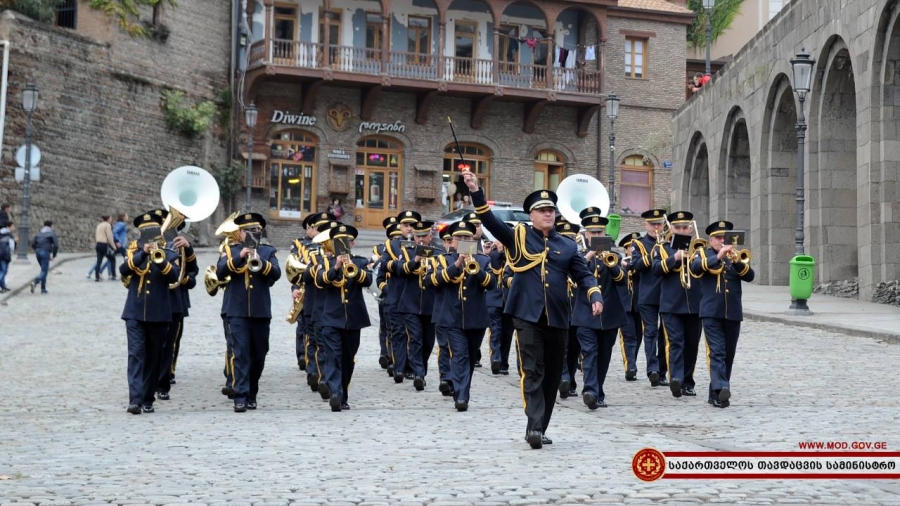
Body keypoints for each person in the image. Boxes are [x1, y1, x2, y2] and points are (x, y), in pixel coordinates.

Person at [462, 170, 602, 449]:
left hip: (558, 317)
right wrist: (476, 190)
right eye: (542, 211)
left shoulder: (566, 245)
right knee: (532, 371)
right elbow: (489, 219)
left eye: (551, 210)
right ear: (532, 215)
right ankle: (534, 426)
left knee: (552, 375)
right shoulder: (519, 236)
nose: (548, 214)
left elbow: (583, 274)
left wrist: (594, 293)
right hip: (526, 315)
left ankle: (539, 425)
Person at [217, 212, 282, 412]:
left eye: (257, 230)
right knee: (240, 353)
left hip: (260, 311)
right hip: (236, 310)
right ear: (241, 233)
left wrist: (259, 262)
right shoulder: (230, 250)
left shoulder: (268, 251)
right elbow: (220, 272)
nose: (253, 233)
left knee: (259, 354)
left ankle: (252, 391)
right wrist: (241, 256)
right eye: (249, 231)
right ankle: (240, 395)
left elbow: (277, 274)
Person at [119, 212, 181, 414]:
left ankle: (147, 397)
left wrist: (160, 260)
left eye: (153, 231)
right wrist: (144, 253)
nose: (149, 234)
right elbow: (124, 269)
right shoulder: (134, 251)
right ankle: (135, 400)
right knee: (136, 355)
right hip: (135, 312)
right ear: (140, 233)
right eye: (145, 231)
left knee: (155, 357)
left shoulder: (168, 252)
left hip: (159, 313)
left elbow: (174, 276)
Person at [690, 220, 755, 408]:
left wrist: (737, 262)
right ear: (711, 239)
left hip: (732, 312)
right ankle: (722, 388)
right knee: (717, 352)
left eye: (724, 238)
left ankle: (715, 394)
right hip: (711, 312)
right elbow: (695, 268)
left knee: (728, 354)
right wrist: (718, 256)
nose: (721, 241)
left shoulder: (735, 257)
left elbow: (750, 276)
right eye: (718, 238)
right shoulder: (703, 253)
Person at [430, 220, 493, 411]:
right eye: (460, 238)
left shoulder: (483, 260)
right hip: (451, 317)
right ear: (453, 242)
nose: (464, 240)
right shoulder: (443, 259)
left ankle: (461, 389)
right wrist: (457, 264)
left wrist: (476, 268)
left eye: (468, 237)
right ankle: (461, 396)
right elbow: (432, 280)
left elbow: (491, 284)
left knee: (470, 357)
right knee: (459, 355)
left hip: (476, 318)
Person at [313, 224, 371, 411]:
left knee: (348, 359)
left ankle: (343, 394)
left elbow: (369, 280)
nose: (343, 245)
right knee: (333, 357)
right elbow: (320, 281)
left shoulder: (360, 262)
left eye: (346, 242)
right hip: (331, 318)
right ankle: (335, 393)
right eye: (338, 242)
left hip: (353, 319)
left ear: (352, 244)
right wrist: (337, 266)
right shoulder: (326, 262)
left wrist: (353, 268)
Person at [651, 212, 702, 398]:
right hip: (671, 305)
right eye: (678, 227)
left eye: (685, 227)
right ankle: (677, 379)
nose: (682, 230)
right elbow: (656, 269)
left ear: (690, 228)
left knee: (692, 345)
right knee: (676, 343)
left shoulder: (698, 247)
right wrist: (675, 258)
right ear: (671, 228)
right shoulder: (662, 247)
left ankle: (688, 381)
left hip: (695, 304)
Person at [30, 220, 59, 294]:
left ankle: (43, 288)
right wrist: (54, 255)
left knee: (43, 270)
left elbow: (33, 243)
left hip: (38, 252)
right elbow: (56, 245)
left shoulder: (39, 233)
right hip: (45, 252)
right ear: (51, 226)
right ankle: (35, 281)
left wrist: (36, 250)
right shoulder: (51, 234)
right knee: (44, 270)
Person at [93, 215, 117, 282]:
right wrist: (114, 246)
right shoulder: (107, 225)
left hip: (98, 244)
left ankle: (97, 276)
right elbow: (110, 236)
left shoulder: (99, 225)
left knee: (99, 261)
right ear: (108, 219)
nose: (111, 220)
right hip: (104, 244)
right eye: (111, 218)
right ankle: (113, 275)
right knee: (112, 259)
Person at [0, 220, 16, 293]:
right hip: (5, 254)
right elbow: (12, 247)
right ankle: (2, 285)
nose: (14, 228)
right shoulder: (9, 234)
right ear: (8, 227)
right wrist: (15, 241)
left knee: (1, 270)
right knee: (4, 270)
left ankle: (3, 286)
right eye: (12, 226)